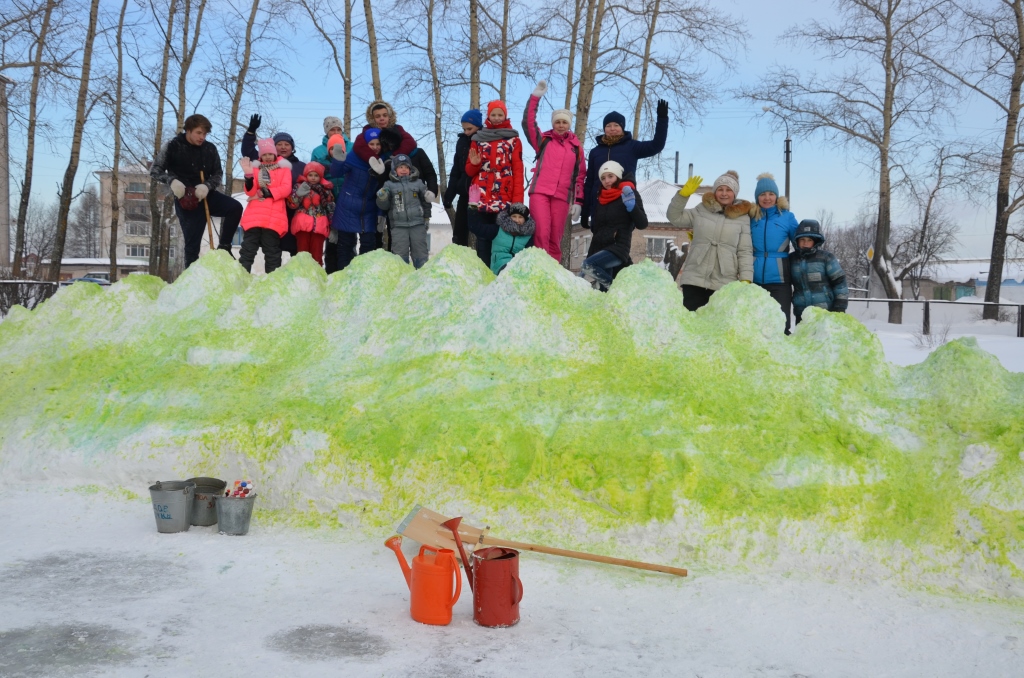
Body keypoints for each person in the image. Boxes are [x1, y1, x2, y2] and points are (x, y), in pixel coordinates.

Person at [150, 113, 242, 267]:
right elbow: (155, 170)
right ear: (188, 130)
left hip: (206, 195)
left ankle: (225, 247)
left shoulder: (210, 149)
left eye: (205, 134)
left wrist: (207, 186)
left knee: (235, 207)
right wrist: (172, 182)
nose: (202, 137)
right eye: (199, 133)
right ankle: (190, 277)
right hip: (186, 200)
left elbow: (218, 174)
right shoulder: (172, 146)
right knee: (192, 247)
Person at [666, 170, 753, 311]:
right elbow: (674, 217)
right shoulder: (701, 210)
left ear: (735, 193)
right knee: (692, 321)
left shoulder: (743, 218)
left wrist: (746, 278)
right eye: (720, 189)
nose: (724, 193)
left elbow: (745, 251)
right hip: (695, 277)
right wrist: (682, 196)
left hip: (724, 281)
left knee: (717, 323)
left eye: (728, 190)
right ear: (715, 192)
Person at [521, 80, 585, 262]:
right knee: (541, 232)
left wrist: (578, 201)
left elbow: (580, 176)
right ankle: (540, 267)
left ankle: (554, 270)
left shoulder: (576, 148)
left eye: (564, 122)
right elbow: (528, 123)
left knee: (555, 238)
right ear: (553, 124)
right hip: (540, 192)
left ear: (569, 124)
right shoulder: (544, 140)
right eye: (558, 122)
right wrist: (535, 98)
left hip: (562, 197)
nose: (561, 125)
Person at [580, 101, 668, 229]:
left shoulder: (631, 147)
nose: (612, 128)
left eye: (616, 125)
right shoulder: (595, 152)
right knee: (599, 239)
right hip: (599, 205)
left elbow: (656, 145)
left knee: (620, 239)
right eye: (608, 125)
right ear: (604, 128)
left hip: (622, 203)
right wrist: (585, 211)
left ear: (622, 127)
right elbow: (590, 182)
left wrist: (662, 119)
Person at [465, 100, 524, 265]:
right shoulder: (478, 139)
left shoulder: (513, 140)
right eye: (493, 114)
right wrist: (475, 164)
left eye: (500, 114)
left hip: (504, 196)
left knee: (502, 238)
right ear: (488, 116)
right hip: (482, 195)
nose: (497, 118)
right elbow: (469, 171)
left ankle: (500, 271)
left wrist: (517, 202)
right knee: (482, 238)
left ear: (505, 116)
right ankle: (484, 271)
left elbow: (518, 172)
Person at [577, 161, 648, 292]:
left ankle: (616, 291)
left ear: (618, 176)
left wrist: (632, 207)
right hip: (601, 249)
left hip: (617, 247)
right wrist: (591, 255)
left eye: (610, 176)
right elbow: (597, 231)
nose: (607, 181)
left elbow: (642, 223)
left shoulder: (629, 193)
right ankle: (612, 295)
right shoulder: (601, 198)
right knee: (602, 292)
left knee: (588, 266)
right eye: (603, 178)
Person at [242, 115, 306, 257]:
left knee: (294, 248)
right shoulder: (264, 162)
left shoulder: (301, 166)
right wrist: (251, 132)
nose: (283, 147)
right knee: (272, 249)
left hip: (293, 212)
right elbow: (247, 150)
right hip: (271, 212)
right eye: (279, 144)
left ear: (292, 148)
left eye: (287, 144)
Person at [750, 172, 799, 333]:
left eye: (771, 194)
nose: (767, 198)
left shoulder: (787, 217)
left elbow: (800, 243)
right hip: (754, 280)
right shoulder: (751, 218)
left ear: (777, 197)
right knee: (754, 325)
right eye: (762, 194)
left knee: (781, 324)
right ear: (757, 197)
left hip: (780, 281)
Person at [238, 139, 292, 274]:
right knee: (247, 250)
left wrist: (267, 192)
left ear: (275, 154)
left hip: (273, 217)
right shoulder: (255, 169)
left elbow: (286, 189)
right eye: (264, 154)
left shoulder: (284, 168)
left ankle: (272, 280)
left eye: (270, 154)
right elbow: (250, 192)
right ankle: (241, 277)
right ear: (260, 156)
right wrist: (249, 177)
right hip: (254, 215)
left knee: (272, 251)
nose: (267, 157)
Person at [329, 131, 380, 271]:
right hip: (348, 207)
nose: (375, 147)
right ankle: (344, 276)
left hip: (369, 209)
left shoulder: (382, 160)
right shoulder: (354, 157)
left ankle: (364, 275)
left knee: (368, 246)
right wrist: (338, 161)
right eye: (371, 144)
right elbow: (335, 173)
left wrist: (381, 213)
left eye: (378, 144)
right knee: (345, 246)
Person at [310, 116, 352, 273]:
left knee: (348, 239)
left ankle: (347, 270)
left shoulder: (352, 147)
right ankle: (331, 272)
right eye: (331, 130)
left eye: (338, 129)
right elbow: (313, 174)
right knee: (332, 239)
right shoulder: (318, 151)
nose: (335, 132)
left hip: (348, 196)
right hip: (328, 198)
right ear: (326, 131)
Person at [375, 154, 431, 269]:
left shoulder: (419, 183)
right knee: (400, 256)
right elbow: (385, 206)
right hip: (398, 227)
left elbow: (426, 202)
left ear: (410, 169)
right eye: (400, 167)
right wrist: (382, 198)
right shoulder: (389, 185)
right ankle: (402, 276)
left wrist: (426, 217)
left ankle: (422, 274)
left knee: (421, 253)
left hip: (417, 224)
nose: (404, 170)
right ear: (394, 170)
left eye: (406, 167)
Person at [790, 219, 849, 324]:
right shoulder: (791, 260)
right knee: (803, 335)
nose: (805, 243)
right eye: (802, 239)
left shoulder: (826, 258)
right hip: (802, 312)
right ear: (797, 241)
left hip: (825, 310)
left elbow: (840, 282)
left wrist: (840, 306)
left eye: (809, 240)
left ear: (815, 241)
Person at [443, 110, 482, 247]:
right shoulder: (462, 142)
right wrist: (450, 194)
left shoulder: (484, 140)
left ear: (478, 126)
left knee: (481, 232)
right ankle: (459, 254)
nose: (466, 132)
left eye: (469, 129)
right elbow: (456, 170)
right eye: (464, 129)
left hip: (481, 193)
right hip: (464, 191)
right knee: (459, 231)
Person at [287, 161, 334, 266]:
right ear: (306, 175)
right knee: (302, 253)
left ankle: (317, 274)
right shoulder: (299, 186)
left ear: (320, 177)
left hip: (319, 226)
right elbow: (292, 204)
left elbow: (330, 208)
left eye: (316, 175)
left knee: (317, 255)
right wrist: (298, 194)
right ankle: (302, 273)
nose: (313, 178)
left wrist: (333, 226)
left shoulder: (325, 190)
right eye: (310, 175)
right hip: (302, 225)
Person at [351, 101, 417, 163]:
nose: (382, 118)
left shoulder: (397, 128)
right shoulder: (368, 130)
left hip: (396, 161)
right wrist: (376, 161)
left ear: (389, 117)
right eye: (378, 116)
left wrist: (396, 156)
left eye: (385, 115)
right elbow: (359, 146)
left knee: (419, 153)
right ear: (372, 119)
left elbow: (409, 141)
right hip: (376, 163)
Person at [491, 202, 536, 275]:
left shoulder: (528, 236)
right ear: (509, 217)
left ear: (525, 219)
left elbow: (528, 255)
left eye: (520, 217)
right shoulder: (498, 230)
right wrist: (473, 209)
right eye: (514, 216)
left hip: (519, 265)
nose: (517, 220)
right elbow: (478, 227)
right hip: (499, 264)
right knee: (509, 272)